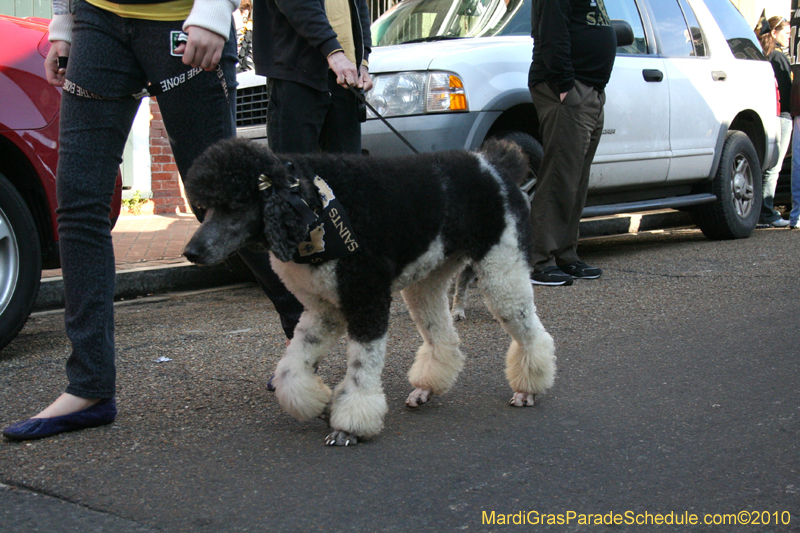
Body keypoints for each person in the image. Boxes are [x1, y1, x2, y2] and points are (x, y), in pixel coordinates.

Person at [2, 0, 292, 440]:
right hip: (97, 20)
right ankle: (89, 387)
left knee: (219, 204)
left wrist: (215, 7)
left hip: (183, 19)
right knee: (78, 205)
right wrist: (63, 19)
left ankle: (304, 327)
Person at [527, 0, 616, 286]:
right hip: (567, 88)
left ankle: (565, 255)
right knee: (560, 176)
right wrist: (565, 85)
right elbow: (552, 33)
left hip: (589, 90)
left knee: (576, 179)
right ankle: (539, 261)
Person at [250, 0, 373, 155]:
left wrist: (362, 60)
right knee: (294, 168)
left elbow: (359, 6)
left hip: (346, 76)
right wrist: (332, 50)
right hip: (296, 71)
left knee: (348, 169)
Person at [758, 16, 792, 228]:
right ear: (774, 32)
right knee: (774, 167)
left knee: (766, 166)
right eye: (786, 33)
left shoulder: (765, 55)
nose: (789, 37)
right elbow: (787, 89)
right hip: (782, 115)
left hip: (768, 114)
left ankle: (761, 211)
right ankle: (767, 213)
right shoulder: (778, 57)